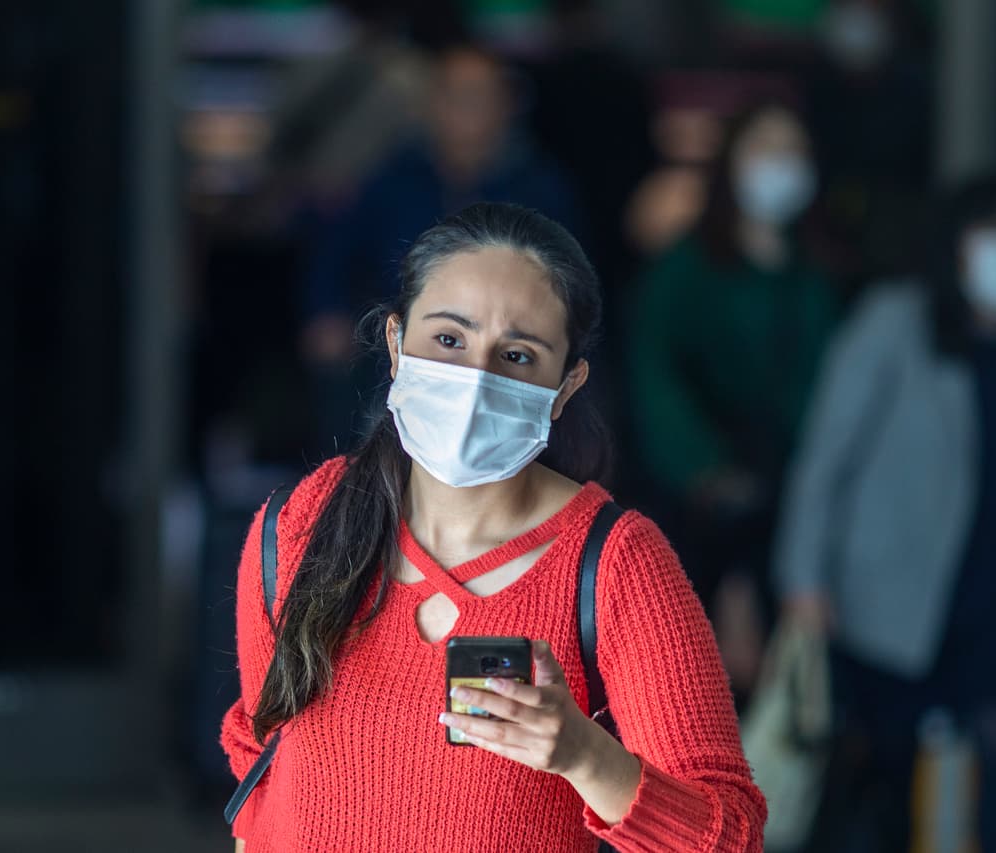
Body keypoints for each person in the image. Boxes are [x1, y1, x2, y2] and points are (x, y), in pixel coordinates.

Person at [221, 203, 765, 852]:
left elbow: (729, 836)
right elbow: (259, 762)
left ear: (565, 387)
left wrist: (585, 755)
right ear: (396, 344)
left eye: (517, 355)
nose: (475, 381)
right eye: (449, 339)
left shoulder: (616, 566)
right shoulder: (300, 524)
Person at [774, 175, 996, 853]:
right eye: (992, 232)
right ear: (954, 247)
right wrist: (803, 576)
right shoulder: (895, 321)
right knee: (887, 780)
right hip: (893, 599)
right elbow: (827, 456)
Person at [626, 102, 839, 692]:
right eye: (766, 150)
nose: (782, 167)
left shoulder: (820, 271)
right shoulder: (685, 266)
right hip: (699, 504)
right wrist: (707, 470)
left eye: (794, 152)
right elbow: (655, 377)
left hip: (797, 500)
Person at [299, 42, 580, 452]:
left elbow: (572, 282)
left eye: (478, 96)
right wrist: (324, 310)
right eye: (453, 95)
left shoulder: (538, 185)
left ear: (506, 104)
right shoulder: (395, 175)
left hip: (500, 352)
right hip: (400, 347)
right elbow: (336, 249)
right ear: (432, 104)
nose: (465, 109)